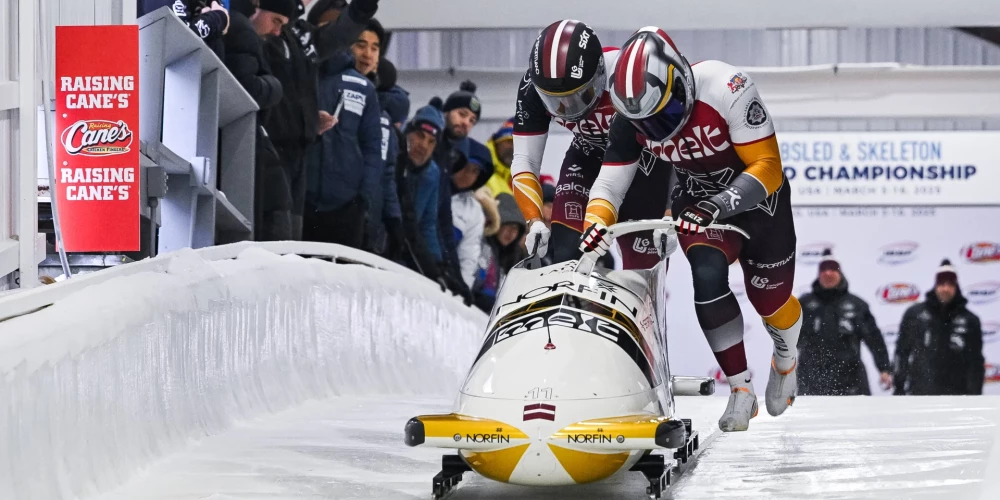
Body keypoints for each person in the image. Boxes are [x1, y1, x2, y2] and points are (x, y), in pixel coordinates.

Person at [579, 27, 801, 432]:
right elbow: (611, 183)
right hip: (696, 200)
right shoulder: (628, 117)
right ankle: (740, 390)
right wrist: (596, 221)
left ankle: (785, 359)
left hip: (758, 203)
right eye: (648, 123)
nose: (660, 129)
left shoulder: (726, 87)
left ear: (680, 80)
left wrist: (719, 204)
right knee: (707, 275)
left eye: (663, 114)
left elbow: (768, 168)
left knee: (770, 301)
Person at [510, 20, 672, 268]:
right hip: (587, 158)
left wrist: (671, 209)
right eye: (555, 102)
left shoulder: (629, 76)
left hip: (645, 168)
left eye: (579, 96)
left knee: (641, 271)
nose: (568, 110)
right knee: (566, 254)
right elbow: (525, 160)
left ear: (600, 74)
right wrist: (534, 220)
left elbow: (676, 144)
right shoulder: (532, 88)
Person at [263, 0, 380, 238]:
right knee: (274, 246)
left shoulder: (299, 34)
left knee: (289, 248)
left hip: (299, 159)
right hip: (271, 153)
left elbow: (338, 35)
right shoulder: (266, 26)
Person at [303, 19, 383, 248]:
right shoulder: (306, 74)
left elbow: (373, 148)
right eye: (361, 45)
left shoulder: (364, 88)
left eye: (374, 48)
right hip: (304, 200)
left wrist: (362, 199)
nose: (367, 54)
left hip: (347, 206)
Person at [224, 0, 289, 240]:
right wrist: (275, 86)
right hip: (241, 147)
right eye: (276, 21)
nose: (277, 31)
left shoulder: (235, 25)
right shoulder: (241, 30)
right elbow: (247, 90)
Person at [797, 250, 892, 396]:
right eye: (824, 269)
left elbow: (874, 339)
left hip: (851, 382)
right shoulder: (803, 305)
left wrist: (884, 369)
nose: (828, 273)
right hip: (811, 382)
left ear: (840, 273)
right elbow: (787, 340)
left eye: (833, 269)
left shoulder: (857, 305)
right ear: (818, 274)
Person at [894, 259, 985, 396]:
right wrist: (898, 387)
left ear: (956, 287)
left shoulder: (970, 320)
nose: (945, 289)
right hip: (921, 393)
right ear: (935, 286)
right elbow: (902, 351)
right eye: (942, 284)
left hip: (958, 395)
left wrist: (975, 395)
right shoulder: (915, 314)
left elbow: (976, 362)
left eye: (950, 284)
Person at [431, 86, 482, 303]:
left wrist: (457, 276)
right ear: (446, 111)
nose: (466, 123)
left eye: (471, 120)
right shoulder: (428, 144)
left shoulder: (446, 158)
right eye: (462, 114)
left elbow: (442, 218)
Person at [395, 105, 444, 282]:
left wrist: (437, 264)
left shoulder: (432, 174)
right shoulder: (393, 159)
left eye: (431, 141)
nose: (423, 146)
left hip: (409, 250)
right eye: (420, 136)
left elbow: (427, 224)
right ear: (408, 133)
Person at [451, 140, 496, 288]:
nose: (468, 174)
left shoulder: (474, 210)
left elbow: (468, 256)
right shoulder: (434, 186)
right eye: (466, 166)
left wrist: (462, 291)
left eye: (475, 171)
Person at [473, 193, 527, 313]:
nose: (511, 233)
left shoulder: (512, 260)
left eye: (516, 229)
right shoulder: (482, 246)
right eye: (509, 226)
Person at [485, 118, 515, 197]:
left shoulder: (510, 181)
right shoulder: (479, 171)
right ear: (496, 143)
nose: (513, 147)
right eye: (509, 141)